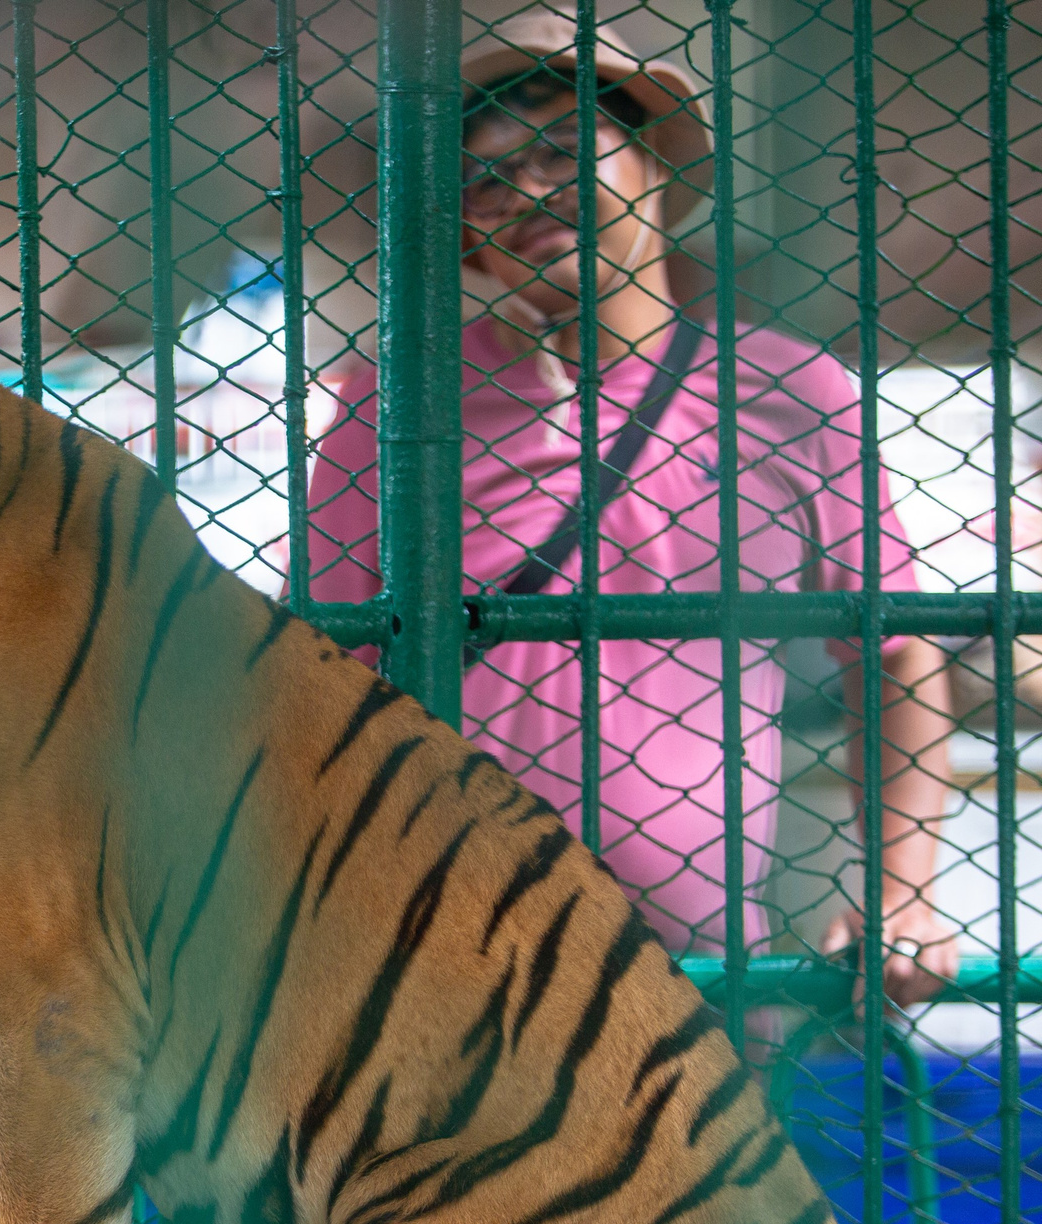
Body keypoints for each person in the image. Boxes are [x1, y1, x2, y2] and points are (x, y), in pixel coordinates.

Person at [306, 13, 960, 1005]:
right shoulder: (395, 407)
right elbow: (314, 675)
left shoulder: (790, 394)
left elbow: (893, 653)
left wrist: (900, 891)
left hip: (693, 982)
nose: (529, 191)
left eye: (563, 151)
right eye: (486, 180)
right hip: (439, 963)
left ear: (652, 166)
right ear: (467, 235)